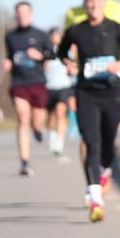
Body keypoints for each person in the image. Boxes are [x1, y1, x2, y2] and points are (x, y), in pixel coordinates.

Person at [58, 0, 120, 223]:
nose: (94, 5)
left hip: (111, 93)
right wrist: (68, 63)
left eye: (98, 1)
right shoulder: (76, 30)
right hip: (86, 92)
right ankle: (96, 199)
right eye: (90, 1)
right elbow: (61, 51)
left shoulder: (116, 28)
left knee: (109, 140)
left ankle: (106, 171)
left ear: (105, 3)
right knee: (91, 143)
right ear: (85, 3)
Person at [64, 0, 120, 183]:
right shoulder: (73, 14)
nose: (93, 2)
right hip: (86, 80)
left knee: (112, 126)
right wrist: (69, 62)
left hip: (114, 78)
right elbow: (66, 44)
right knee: (88, 137)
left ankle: (104, 166)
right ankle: (92, 182)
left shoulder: (118, 10)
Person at [3, 1, 54, 176]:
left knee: (37, 120)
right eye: (19, 13)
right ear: (16, 16)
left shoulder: (40, 34)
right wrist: (8, 62)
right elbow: (9, 55)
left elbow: (52, 54)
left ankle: (39, 128)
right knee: (23, 118)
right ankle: (25, 162)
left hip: (38, 82)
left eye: (25, 13)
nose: (22, 16)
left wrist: (40, 56)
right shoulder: (10, 36)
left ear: (31, 15)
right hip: (19, 82)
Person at [44, 27, 77, 158]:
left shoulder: (68, 51)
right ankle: (52, 137)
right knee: (51, 116)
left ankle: (60, 142)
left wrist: (71, 69)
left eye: (58, 35)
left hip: (64, 86)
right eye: (53, 35)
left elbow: (73, 66)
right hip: (49, 86)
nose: (56, 38)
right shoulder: (47, 51)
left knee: (60, 112)